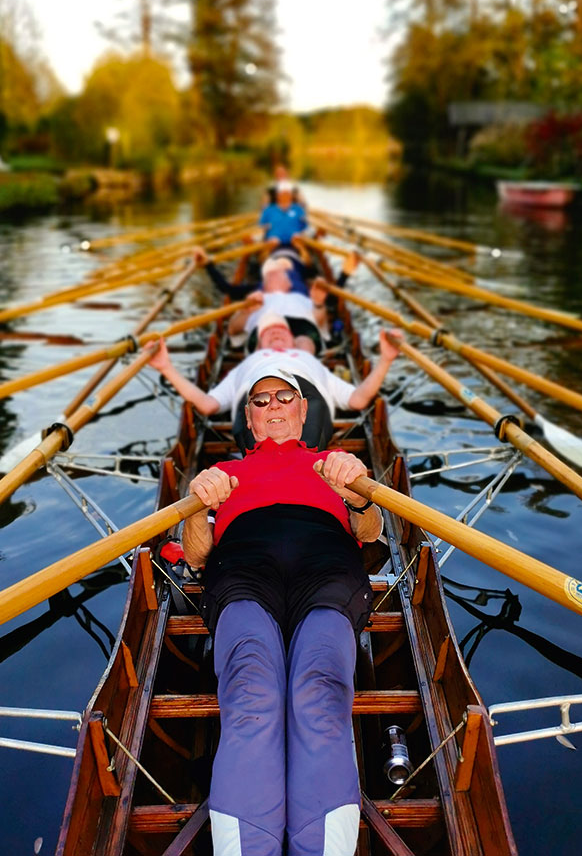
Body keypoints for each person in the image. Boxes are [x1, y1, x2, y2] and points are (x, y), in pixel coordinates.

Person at [183, 366, 383, 856]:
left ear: (302, 409)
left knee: (318, 688)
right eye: (260, 400)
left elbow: (373, 532)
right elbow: (194, 556)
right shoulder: (222, 475)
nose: (272, 405)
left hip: (327, 565)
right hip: (244, 566)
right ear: (249, 420)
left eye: (283, 396)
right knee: (252, 689)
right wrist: (194, 504)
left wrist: (359, 494)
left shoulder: (334, 462)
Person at [147, 313, 402, 450]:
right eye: (269, 332)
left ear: (293, 341)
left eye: (282, 331)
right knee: (262, 445)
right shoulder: (248, 363)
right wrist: (165, 367)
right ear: (258, 344)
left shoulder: (306, 358)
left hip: (305, 394)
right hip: (253, 400)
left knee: (302, 449)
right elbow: (207, 405)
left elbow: (358, 399)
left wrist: (386, 360)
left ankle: (300, 485)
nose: (276, 332)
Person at [259, 180, 308, 246]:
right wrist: (268, 237)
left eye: (287, 194)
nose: (285, 196)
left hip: (295, 244)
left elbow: (305, 227)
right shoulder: (268, 209)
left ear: (291, 195)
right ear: (278, 195)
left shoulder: (298, 209)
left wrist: (300, 236)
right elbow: (261, 227)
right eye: (283, 194)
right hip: (272, 245)